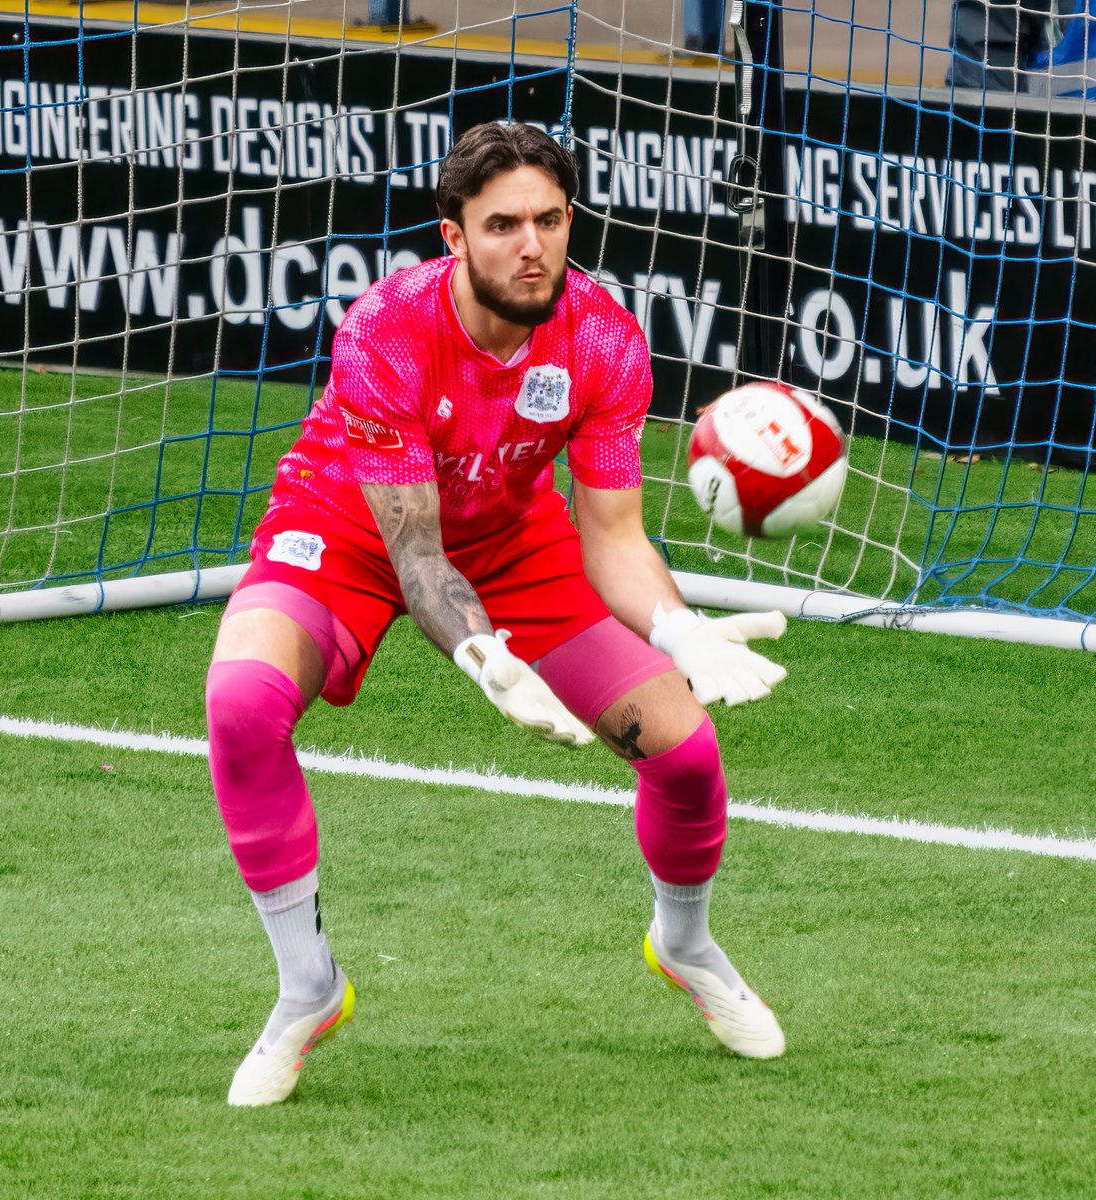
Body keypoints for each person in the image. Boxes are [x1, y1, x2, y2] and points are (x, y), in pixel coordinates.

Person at [205, 121, 789, 1108]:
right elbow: (414, 552)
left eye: (552, 220)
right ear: (454, 236)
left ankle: (683, 946)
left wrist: (681, 631)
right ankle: (309, 990)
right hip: (348, 525)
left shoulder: (605, 337)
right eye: (505, 224)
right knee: (242, 706)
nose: (533, 245)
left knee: (687, 754)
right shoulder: (384, 330)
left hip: (514, 539)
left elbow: (611, 536)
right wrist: (484, 656)